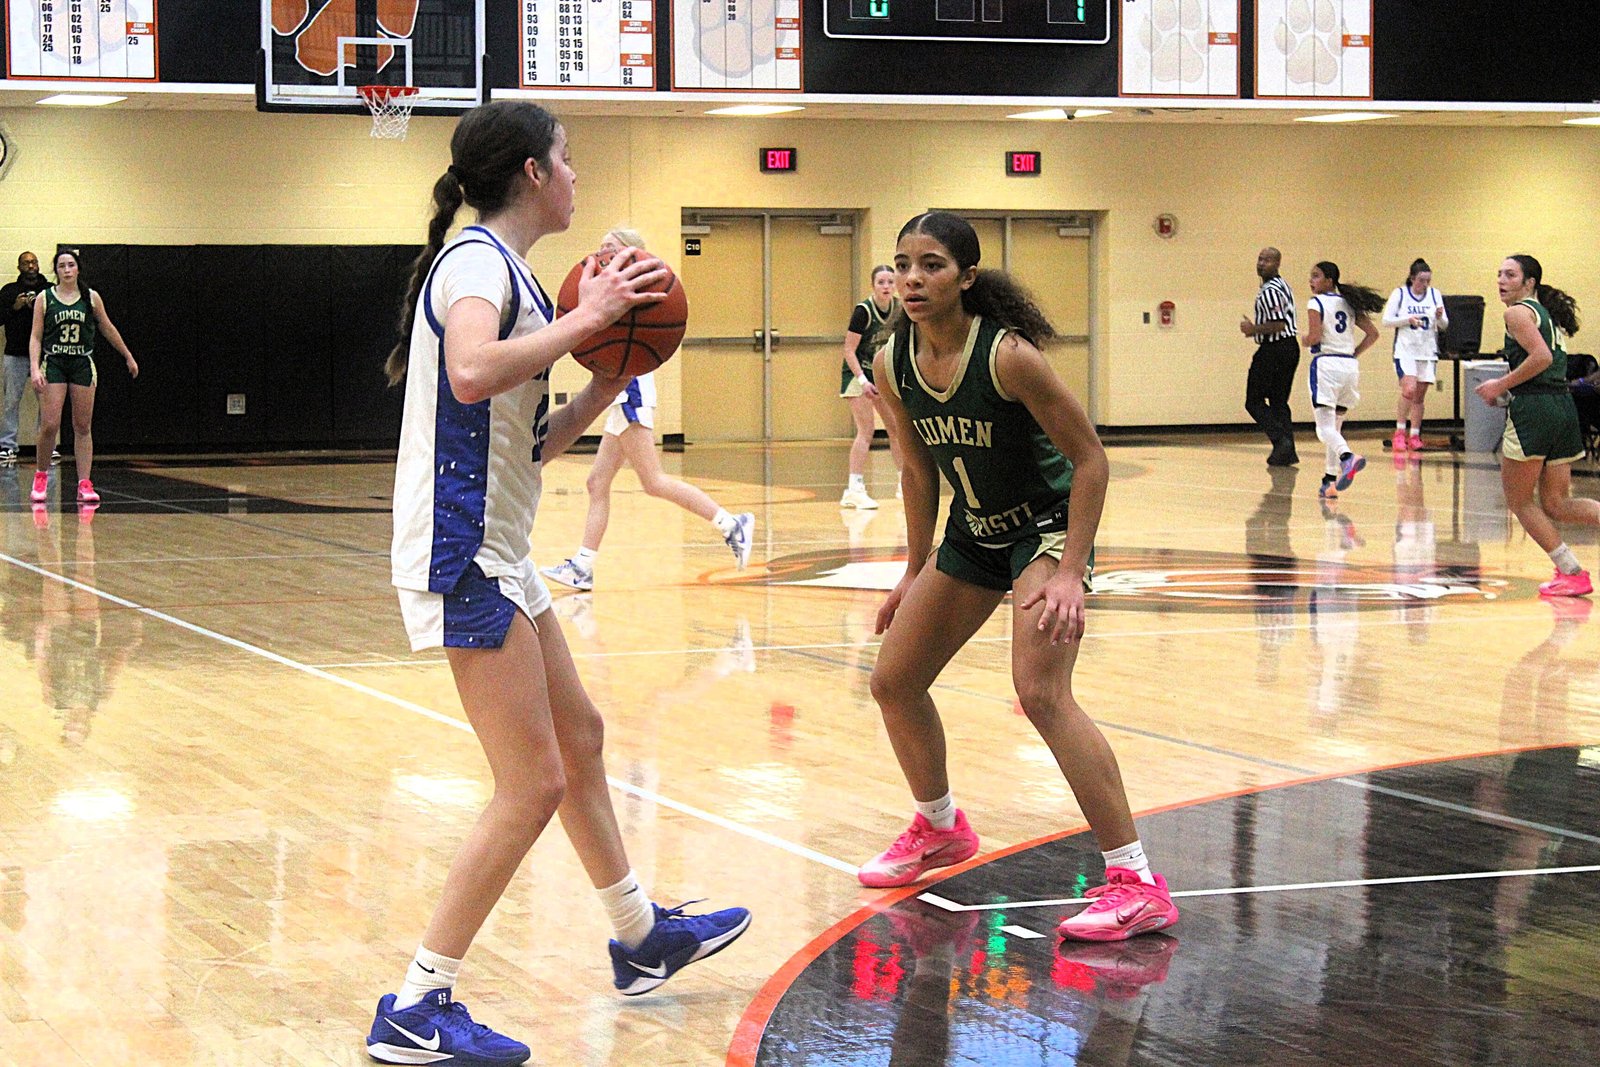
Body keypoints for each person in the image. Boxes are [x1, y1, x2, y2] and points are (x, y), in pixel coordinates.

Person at [378, 101, 749, 1066]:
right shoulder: (473, 265)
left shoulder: (519, 282)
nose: (578, 175)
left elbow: (525, 442)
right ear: (533, 175)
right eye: (569, 160)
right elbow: (468, 372)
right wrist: (588, 318)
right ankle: (419, 1001)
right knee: (532, 779)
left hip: (502, 544)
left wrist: (601, 376)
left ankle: (639, 937)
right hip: (461, 551)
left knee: (580, 738)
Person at [859, 211, 1178, 943]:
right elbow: (914, 466)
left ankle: (1136, 881)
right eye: (903, 264)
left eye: (931, 265)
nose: (912, 278)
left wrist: (1070, 571)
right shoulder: (891, 359)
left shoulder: (1008, 356)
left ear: (966, 277)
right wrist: (912, 571)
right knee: (894, 679)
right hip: (975, 528)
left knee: (1040, 691)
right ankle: (941, 828)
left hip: (1043, 525)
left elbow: (1092, 460)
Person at [541, 227, 754, 593]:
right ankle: (583, 566)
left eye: (611, 247)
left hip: (630, 386)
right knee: (597, 482)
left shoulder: (636, 296)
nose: (602, 252)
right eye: (601, 245)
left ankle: (731, 524)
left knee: (653, 481)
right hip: (624, 386)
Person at [1473, 255, 1599, 597]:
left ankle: (1571, 572)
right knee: (1557, 503)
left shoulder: (1517, 312)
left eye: (1510, 275)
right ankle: (1571, 572)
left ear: (1529, 283)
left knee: (1519, 501)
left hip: (1535, 409)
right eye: (1499, 273)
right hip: (1562, 406)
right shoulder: (1546, 314)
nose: (1501, 280)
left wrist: (1501, 385)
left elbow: (1541, 358)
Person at [27, 250, 138, 506]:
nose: (67, 270)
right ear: (55, 271)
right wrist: (34, 367)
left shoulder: (91, 297)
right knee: (50, 424)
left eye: (71, 265)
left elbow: (107, 327)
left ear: (78, 269)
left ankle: (84, 483)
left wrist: (127, 355)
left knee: (83, 426)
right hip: (54, 362)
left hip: (81, 363)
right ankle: (41, 475)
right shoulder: (45, 298)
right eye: (62, 266)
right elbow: (35, 336)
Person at [1302, 261, 1381, 501]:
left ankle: (1348, 458)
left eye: (1316, 276)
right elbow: (1373, 334)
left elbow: (1314, 336)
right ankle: (1329, 481)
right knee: (1335, 429)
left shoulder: (1315, 303)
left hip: (1326, 365)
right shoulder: (1348, 303)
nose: (1311, 280)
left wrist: (1304, 339)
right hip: (1349, 366)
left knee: (1323, 429)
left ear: (1329, 280)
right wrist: (1353, 353)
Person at [839, 264, 905, 508]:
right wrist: (862, 381)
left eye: (890, 281)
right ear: (873, 286)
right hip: (857, 376)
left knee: (896, 429)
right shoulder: (863, 311)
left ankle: (903, 483)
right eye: (881, 282)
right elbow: (848, 349)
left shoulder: (900, 309)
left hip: (879, 376)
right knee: (866, 431)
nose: (886, 286)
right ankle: (854, 489)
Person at [1239, 247, 1300, 467]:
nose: (1261, 263)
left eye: (1267, 260)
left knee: (1253, 401)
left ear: (1277, 264)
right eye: (1260, 259)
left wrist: (1252, 329)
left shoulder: (1271, 290)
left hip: (1276, 348)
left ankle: (1280, 440)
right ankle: (1287, 451)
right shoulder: (1281, 286)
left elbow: (1278, 323)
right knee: (1278, 401)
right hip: (1288, 348)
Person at [1383, 258, 1448, 453]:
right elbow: (1387, 320)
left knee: (1419, 397)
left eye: (1428, 280)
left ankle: (1415, 435)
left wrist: (1439, 317)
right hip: (1406, 350)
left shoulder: (1435, 295)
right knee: (1408, 390)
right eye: (1421, 280)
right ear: (1412, 278)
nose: (1425, 284)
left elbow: (1444, 325)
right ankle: (1399, 433)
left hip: (1427, 351)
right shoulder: (1400, 294)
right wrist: (1407, 319)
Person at [0, 252, 49, 464]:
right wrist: (15, 307)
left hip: (43, 355)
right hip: (15, 353)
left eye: (34, 262)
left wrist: (39, 306)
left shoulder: (49, 291)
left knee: (47, 402)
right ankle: (7, 445)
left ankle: (47, 446)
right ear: (19, 267)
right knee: (11, 401)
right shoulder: (9, 291)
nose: (31, 266)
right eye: (26, 263)